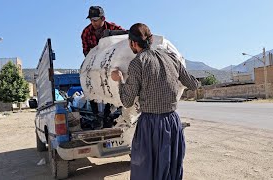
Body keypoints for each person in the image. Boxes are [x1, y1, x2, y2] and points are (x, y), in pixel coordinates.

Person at [111, 23, 198, 180]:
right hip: (172, 122)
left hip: (150, 125)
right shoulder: (172, 57)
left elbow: (127, 101)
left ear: (133, 43)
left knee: (147, 171)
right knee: (171, 169)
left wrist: (120, 80)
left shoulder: (138, 63)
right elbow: (193, 84)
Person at [81, 6, 124, 127]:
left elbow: (126, 35)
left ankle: (108, 112)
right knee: (87, 78)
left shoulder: (113, 27)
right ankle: (95, 114)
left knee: (110, 81)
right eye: (91, 20)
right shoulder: (86, 32)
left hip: (110, 62)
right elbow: (86, 52)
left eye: (95, 20)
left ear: (103, 18)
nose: (93, 23)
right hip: (93, 62)